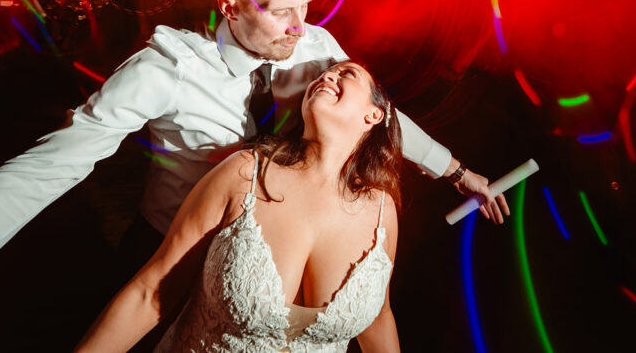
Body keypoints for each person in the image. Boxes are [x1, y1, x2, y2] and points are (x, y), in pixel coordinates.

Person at [0, 0, 509, 344]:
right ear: (230, 5)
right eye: (280, 10)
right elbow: (39, 174)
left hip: (270, 259)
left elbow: (382, 115)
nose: (301, 27)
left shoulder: (314, 52)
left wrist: (455, 171)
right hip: (168, 258)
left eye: (307, 6)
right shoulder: (165, 72)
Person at [77, 61, 402, 352]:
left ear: (374, 114)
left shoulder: (380, 213)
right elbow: (151, 292)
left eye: (347, 73)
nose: (328, 75)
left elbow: (378, 319)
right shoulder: (245, 174)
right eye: (323, 73)